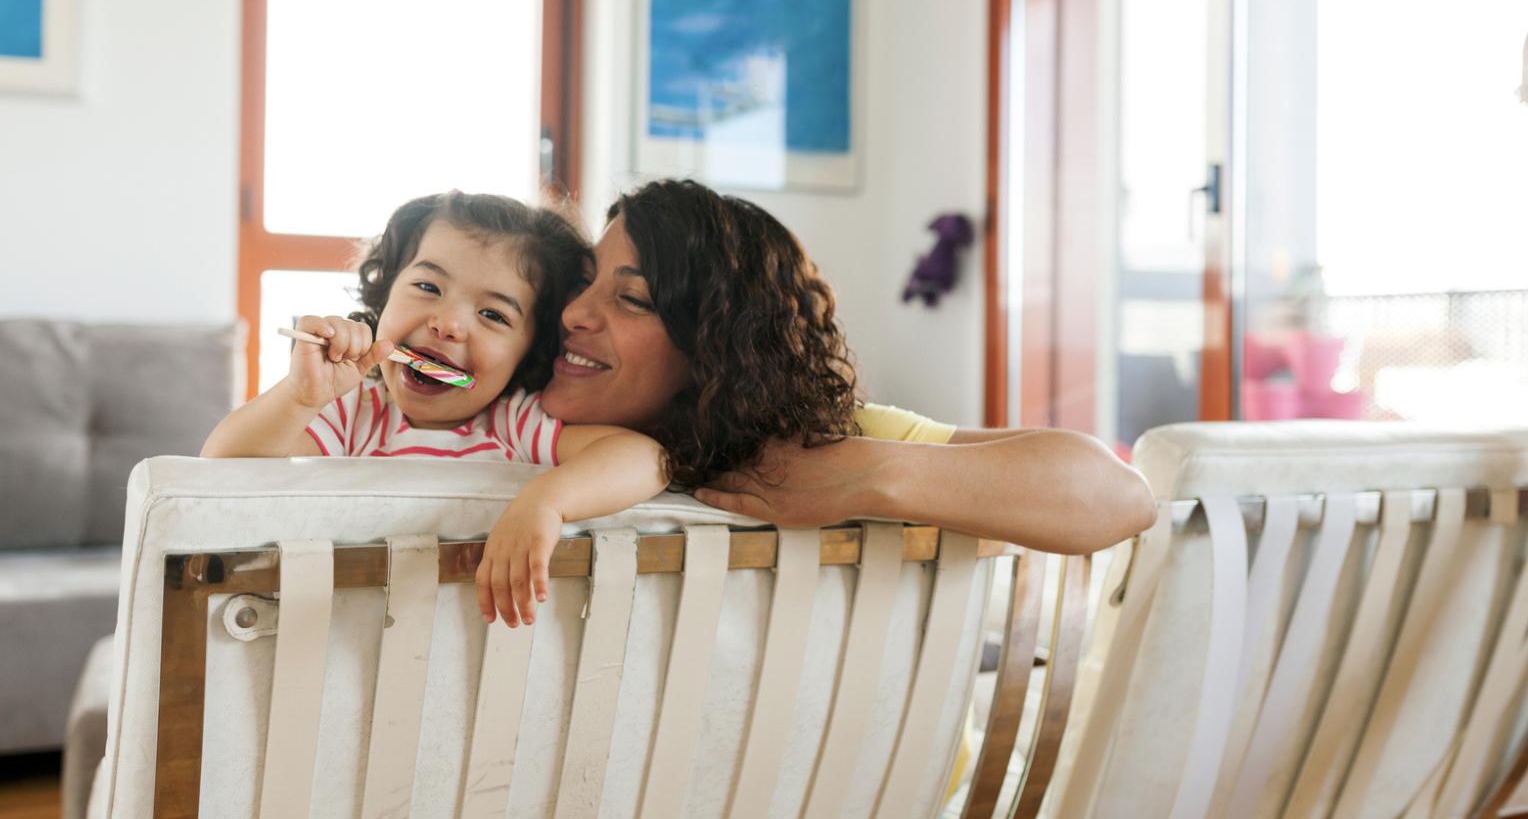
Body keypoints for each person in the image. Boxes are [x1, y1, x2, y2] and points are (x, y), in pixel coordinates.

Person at [540, 179, 1157, 554]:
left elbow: (1123, 497)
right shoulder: (509, 422)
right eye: (585, 281)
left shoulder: (819, 455)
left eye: (634, 299)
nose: (573, 313)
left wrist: (870, 479)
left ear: (713, 349)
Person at [201, 192, 667, 628]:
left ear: (529, 355)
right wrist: (299, 397)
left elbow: (647, 459)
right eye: (428, 286)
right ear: (384, 297)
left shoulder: (514, 424)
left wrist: (545, 501)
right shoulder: (352, 415)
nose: (447, 324)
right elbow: (220, 470)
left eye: (493, 315)